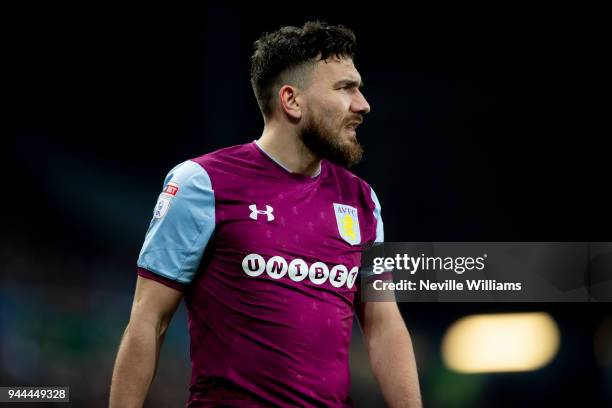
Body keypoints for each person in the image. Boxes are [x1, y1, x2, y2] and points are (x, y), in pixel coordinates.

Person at [110, 21, 422, 407]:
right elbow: (147, 322)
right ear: (292, 101)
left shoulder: (361, 200)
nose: (362, 104)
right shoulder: (202, 183)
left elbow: (383, 327)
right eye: (345, 88)